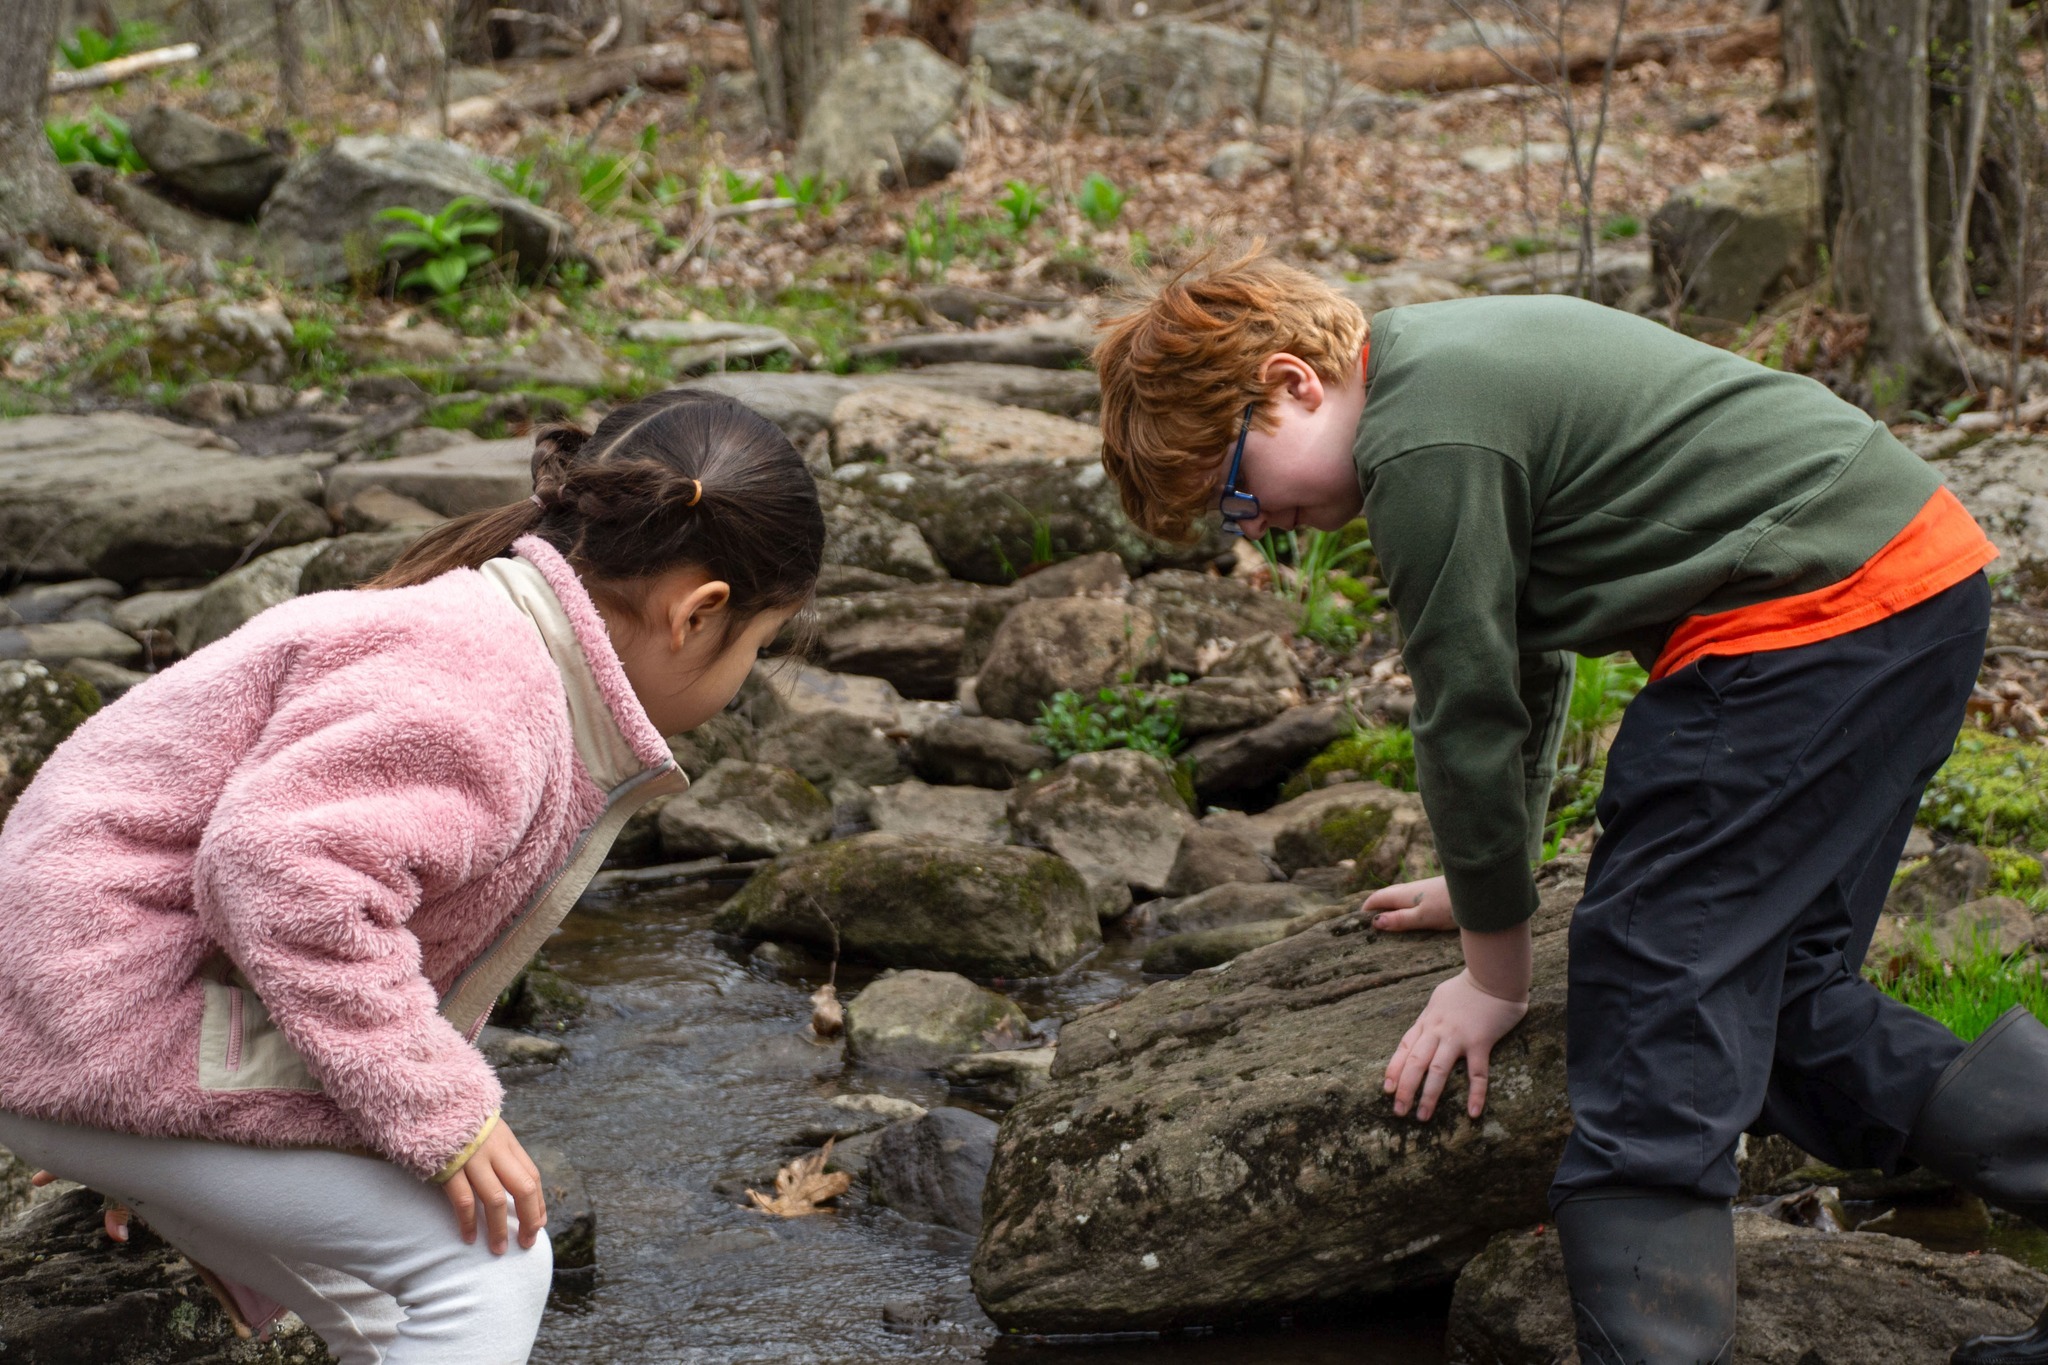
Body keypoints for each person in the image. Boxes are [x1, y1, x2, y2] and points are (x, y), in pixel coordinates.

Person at [1094, 249, 2048, 1365]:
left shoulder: (1419, 438)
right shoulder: (1432, 376)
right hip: (1910, 589)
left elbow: (1466, 715)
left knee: (1648, 983)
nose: (1255, 530)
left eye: (1237, 493)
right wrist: (1483, 887)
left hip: (1809, 621)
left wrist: (1492, 979)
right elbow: (1522, 661)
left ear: (1291, 382)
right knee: (1777, 1000)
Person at [0, 389, 825, 1364]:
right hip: (101, 1019)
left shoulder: (488, 638)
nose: (744, 682)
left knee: (389, 1308)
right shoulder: (489, 694)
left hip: (78, 1004)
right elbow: (278, 871)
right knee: (486, 1265)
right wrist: (442, 1113)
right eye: (760, 648)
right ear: (698, 613)